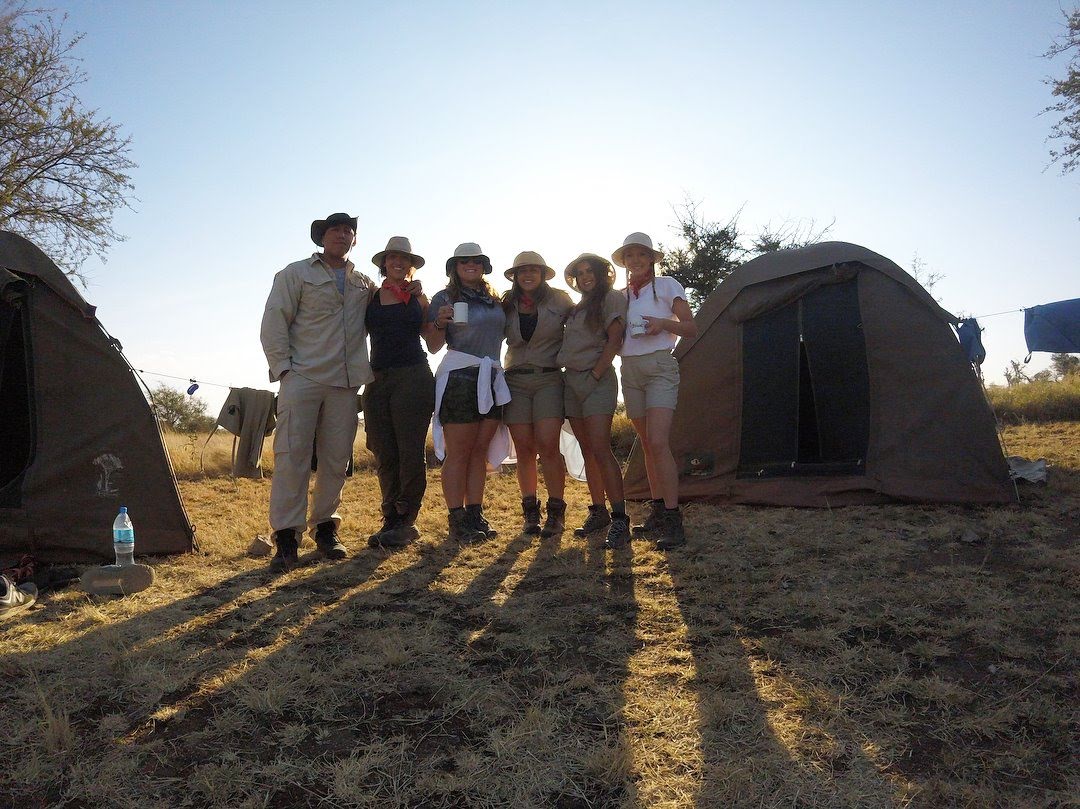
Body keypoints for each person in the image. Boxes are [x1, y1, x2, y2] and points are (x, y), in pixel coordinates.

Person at [260, 212, 374, 572]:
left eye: (348, 231)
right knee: (292, 456)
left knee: (336, 459)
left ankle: (325, 527)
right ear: (321, 237)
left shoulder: (364, 283)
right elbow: (274, 321)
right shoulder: (295, 273)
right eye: (335, 230)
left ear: (354, 240)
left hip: (345, 382)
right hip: (302, 378)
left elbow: (387, 311)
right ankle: (287, 536)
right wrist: (284, 371)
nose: (342, 235)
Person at [613, 232, 698, 550]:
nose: (635, 260)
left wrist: (663, 324)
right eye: (629, 256)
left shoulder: (666, 285)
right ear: (624, 261)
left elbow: (691, 328)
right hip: (630, 369)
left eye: (640, 254)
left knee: (659, 442)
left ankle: (674, 521)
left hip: (661, 365)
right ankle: (658, 511)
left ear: (651, 258)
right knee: (647, 444)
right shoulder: (621, 296)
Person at [423, 243, 510, 544]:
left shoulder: (494, 299)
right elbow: (433, 346)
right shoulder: (443, 298)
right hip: (459, 376)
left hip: (490, 377)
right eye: (464, 262)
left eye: (476, 261)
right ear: (455, 268)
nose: (470, 265)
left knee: (478, 451)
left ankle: (475, 513)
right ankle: (456, 519)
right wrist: (438, 322)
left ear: (484, 266)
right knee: (459, 452)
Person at [362, 236, 434, 549]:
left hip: (413, 376)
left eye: (404, 259)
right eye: (393, 257)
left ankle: (407, 519)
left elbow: (433, 342)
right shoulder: (370, 297)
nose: (398, 262)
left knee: (409, 450)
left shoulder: (419, 298)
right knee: (382, 449)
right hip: (376, 378)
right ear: (384, 263)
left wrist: (438, 317)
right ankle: (390, 515)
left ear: (411, 266)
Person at [558, 253, 630, 547]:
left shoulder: (611, 298)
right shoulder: (577, 308)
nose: (585, 276)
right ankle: (598, 511)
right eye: (580, 272)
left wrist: (596, 376)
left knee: (601, 448)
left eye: (590, 271)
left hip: (596, 379)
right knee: (587, 449)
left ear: (601, 273)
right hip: (571, 380)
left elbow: (615, 339)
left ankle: (621, 520)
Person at [501, 251, 573, 536]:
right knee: (524, 449)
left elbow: (584, 325)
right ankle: (530, 512)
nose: (528, 275)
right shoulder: (506, 303)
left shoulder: (561, 300)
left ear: (543, 274)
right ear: (515, 276)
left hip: (549, 378)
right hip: (514, 380)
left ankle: (556, 512)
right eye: (522, 271)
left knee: (548, 445)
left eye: (534, 270)